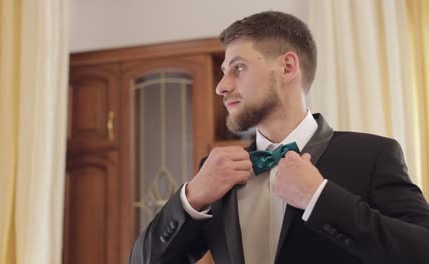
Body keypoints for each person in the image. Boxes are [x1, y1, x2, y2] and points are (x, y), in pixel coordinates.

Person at [129, 11, 429, 264]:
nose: (221, 86)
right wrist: (191, 197)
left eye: (238, 68)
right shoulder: (217, 171)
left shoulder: (372, 156)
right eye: (224, 72)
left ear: (287, 67)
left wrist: (319, 198)